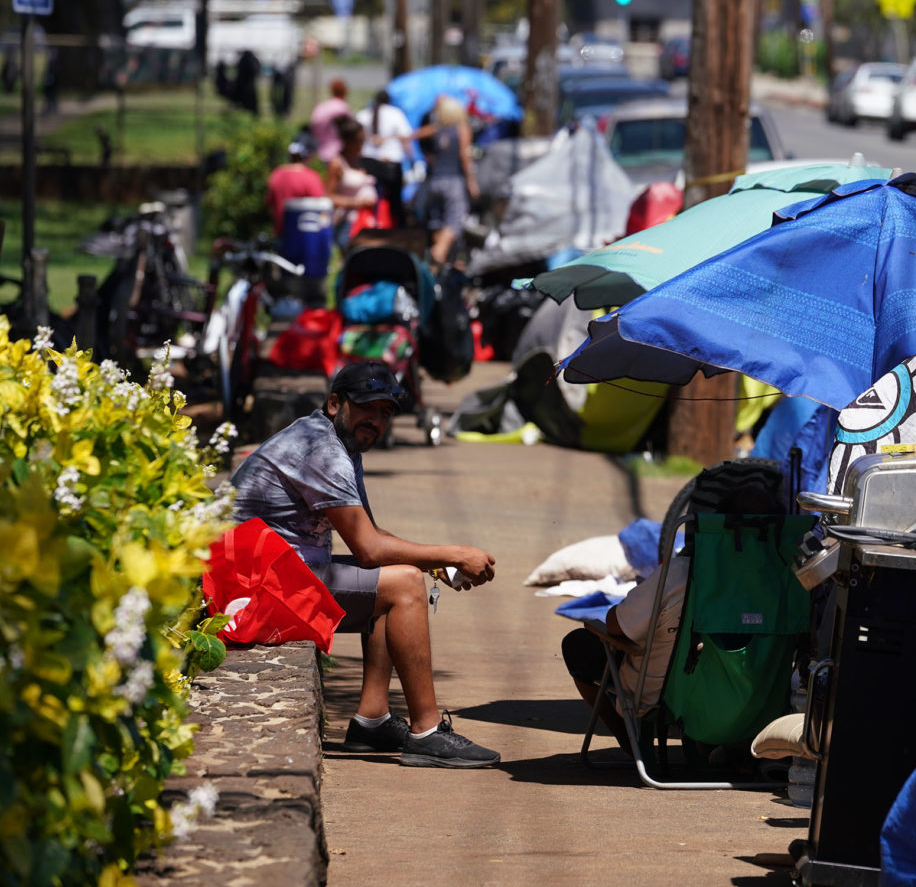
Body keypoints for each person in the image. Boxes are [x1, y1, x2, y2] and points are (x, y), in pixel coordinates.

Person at [230, 361, 501, 769]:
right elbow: (369, 551)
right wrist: (453, 554)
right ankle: (427, 732)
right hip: (251, 588)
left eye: (386, 413)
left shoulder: (337, 440)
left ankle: (372, 720)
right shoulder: (321, 449)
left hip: (275, 573)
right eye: (367, 408)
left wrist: (435, 563)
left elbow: (368, 534)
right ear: (336, 403)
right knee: (403, 585)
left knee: (395, 579)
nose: (376, 420)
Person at [561, 551, 691, 751]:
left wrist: (631, 601)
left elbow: (615, 625)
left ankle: (629, 742)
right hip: (725, 692)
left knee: (577, 644)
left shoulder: (675, 574)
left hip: (654, 692)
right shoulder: (751, 577)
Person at [415, 94, 480, 266]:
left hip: (434, 182)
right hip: (453, 182)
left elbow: (414, 135)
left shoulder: (436, 129)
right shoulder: (461, 128)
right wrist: (471, 182)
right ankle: (439, 253)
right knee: (455, 221)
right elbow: (464, 156)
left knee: (438, 224)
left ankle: (440, 267)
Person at [356, 89, 414, 228]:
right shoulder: (396, 113)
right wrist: (412, 159)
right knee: (395, 200)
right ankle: (396, 228)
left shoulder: (363, 114)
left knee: (371, 198)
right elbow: (405, 137)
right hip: (390, 163)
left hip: (368, 162)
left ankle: (371, 225)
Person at [325, 115, 381, 248]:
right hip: (349, 223)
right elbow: (329, 197)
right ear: (347, 141)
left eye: (363, 140)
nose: (362, 144)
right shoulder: (337, 163)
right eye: (359, 140)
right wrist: (356, 203)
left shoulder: (362, 160)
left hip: (369, 219)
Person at [264, 127, 326, 234]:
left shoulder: (276, 174)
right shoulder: (311, 177)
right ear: (309, 155)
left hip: (281, 234)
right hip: (304, 237)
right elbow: (320, 210)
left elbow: (271, 207)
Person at [309, 77, 353, 162]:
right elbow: (352, 130)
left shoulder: (322, 106)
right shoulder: (342, 107)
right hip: (335, 152)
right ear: (344, 91)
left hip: (319, 150)